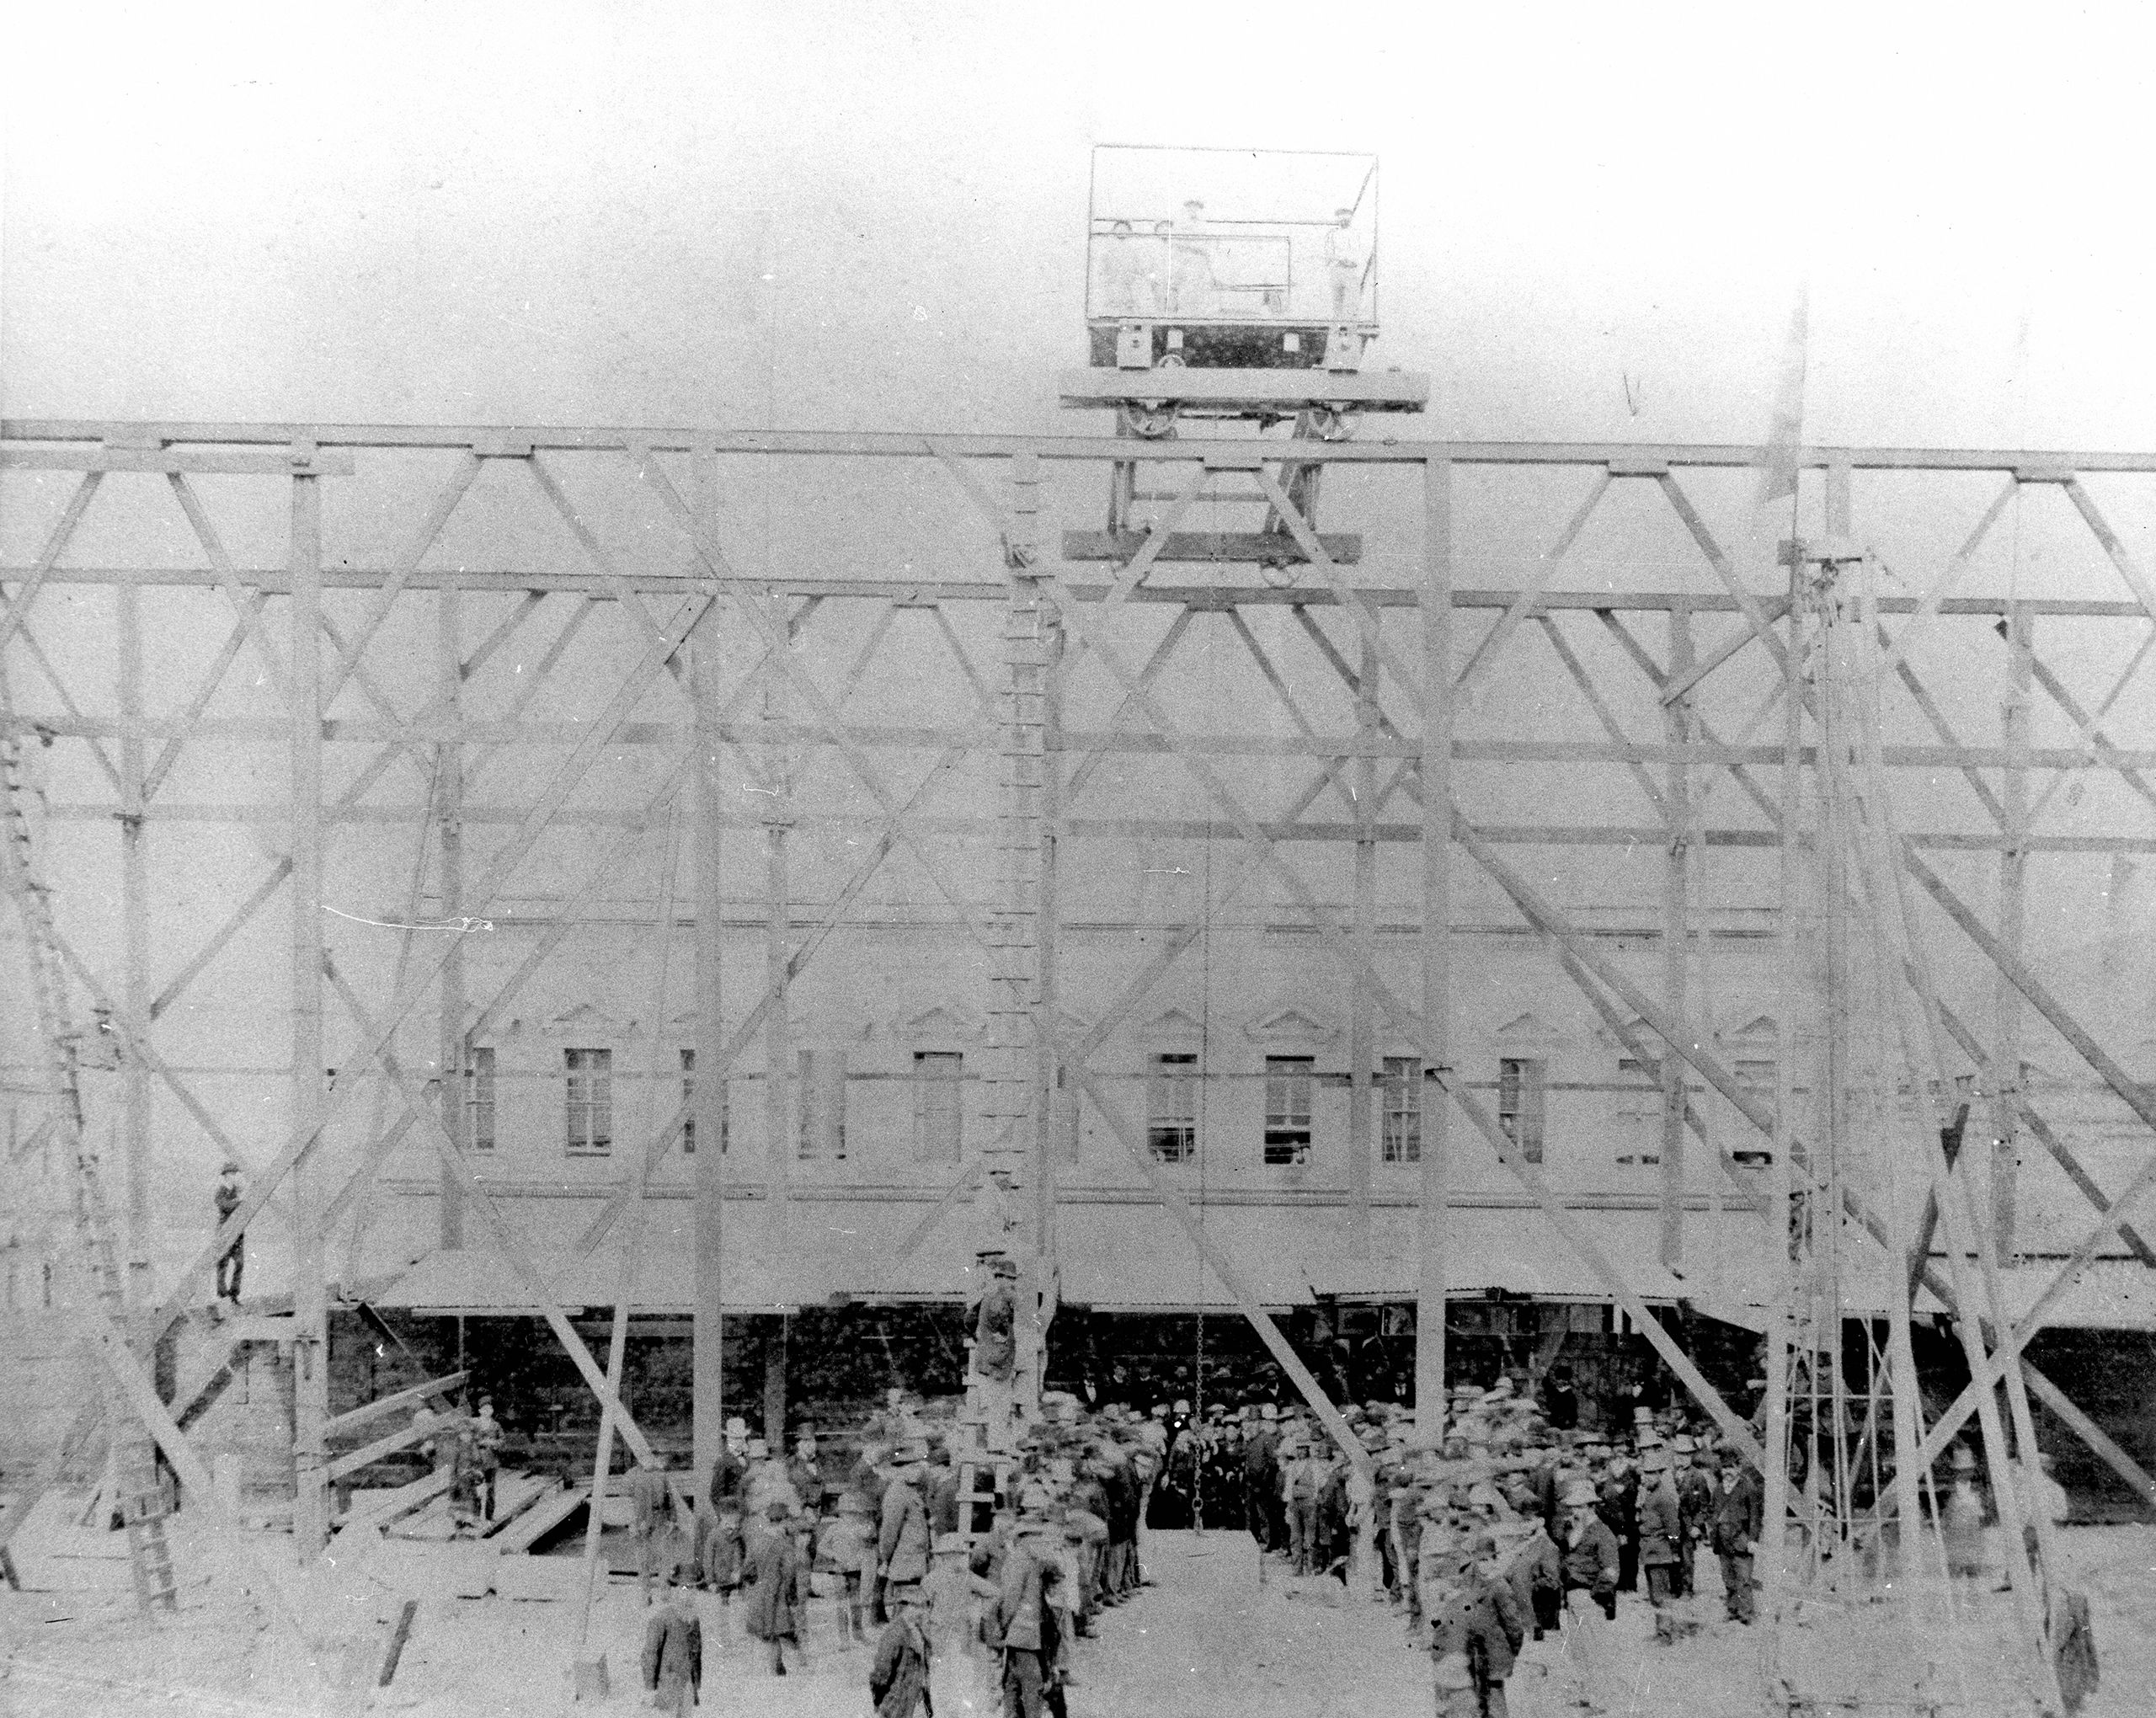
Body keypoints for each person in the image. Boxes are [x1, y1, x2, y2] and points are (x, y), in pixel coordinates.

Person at [742, 1502, 811, 1674]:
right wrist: (792, 1596)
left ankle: (775, 1670)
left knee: (770, 1635)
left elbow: (747, 1571)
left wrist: (757, 1584)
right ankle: (799, 1671)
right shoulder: (785, 1546)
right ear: (783, 1521)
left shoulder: (756, 1542)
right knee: (788, 1634)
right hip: (780, 1595)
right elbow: (789, 1575)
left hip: (761, 1595)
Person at [878, 1446, 931, 1625]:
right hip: (905, 1565)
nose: (918, 1471)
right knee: (904, 1619)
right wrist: (887, 1560)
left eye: (918, 1466)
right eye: (912, 1467)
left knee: (913, 1616)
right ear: (899, 1469)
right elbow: (889, 1534)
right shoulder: (897, 1493)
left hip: (915, 1564)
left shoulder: (910, 1490)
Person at [1708, 1449, 1762, 1624]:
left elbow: (1755, 1516)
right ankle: (1732, 1610)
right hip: (1723, 1541)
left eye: (1731, 1467)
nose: (1727, 1472)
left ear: (1739, 1467)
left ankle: (1747, 1613)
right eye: (1724, 1468)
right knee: (1728, 1577)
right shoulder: (1718, 1489)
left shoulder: (1748, 1488)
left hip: (1741, 1540)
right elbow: (1712, 1511)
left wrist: (1753, 1540)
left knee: (1744, 1578)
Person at [640, 1569, 702, 1715]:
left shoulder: (693, 1620)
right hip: (667, 1685)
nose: (689, 1594)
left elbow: (697, 1654)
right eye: (684, 1589)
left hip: (687, 1684)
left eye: (693, 1588)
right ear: (674, 1591)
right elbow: (650, 1654)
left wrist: (696, 1684)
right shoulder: (662, 1619)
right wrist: (649, 1688)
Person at [871, 1587, 934, 1718]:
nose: (922, 1611)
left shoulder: (918, 1629)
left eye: (924, 1606)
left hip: (916, 1698)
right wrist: (879, 1704)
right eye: (917, 1606)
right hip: (897, 1700)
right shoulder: (895, 1633)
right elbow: (881, 1672)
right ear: (904, 1607)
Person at [1636, 1445, 1683, 1613]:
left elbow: (1673, 1528)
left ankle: (1666, 1634)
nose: (1646, 1477)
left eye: (1651, 1473)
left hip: (1660, 1550)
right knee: (1655, 1596)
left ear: (1659, 1474)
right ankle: (1662, 1632)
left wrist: (1675, 1550)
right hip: (1649, 1550)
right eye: (1645, 1473)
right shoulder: (1649, 1495)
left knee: (1661, 1596)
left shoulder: (1663, 1497)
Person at [630, 1459, 678, 1604]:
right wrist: (638, 1524)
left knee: (664, 1557)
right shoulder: (636, 1479)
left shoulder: (663, 1478)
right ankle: (646, 1593)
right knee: (643, 1560)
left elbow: (670, 1501)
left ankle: (664, 1591)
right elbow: (635, 1505)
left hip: (660, 1521)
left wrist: (672, 1520)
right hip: (642, 1522)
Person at [1322, 205, 1366, 320]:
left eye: (1346, 218)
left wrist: (1350, 261)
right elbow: (1329, 253)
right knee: (1337, 301)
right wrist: (1340, 260)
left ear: (1350, 219)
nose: (1343, 221)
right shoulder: (1332, 235)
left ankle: (1351, 324)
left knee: (1352, 301)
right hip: (1337, 270)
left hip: (1351, 271)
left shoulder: (1356, 234)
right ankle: (1337, 324)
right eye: (1341, 218)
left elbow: (1358, 253)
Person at [213, 1160, 244, 1307]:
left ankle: (234, 1294)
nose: (233, 1176)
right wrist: (238, 1202)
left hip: (237, 1232)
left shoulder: (238, 1190)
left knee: (239, 1263)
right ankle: (222, 1294)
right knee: (222, 1263)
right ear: (225, 1176)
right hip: (224, 1231)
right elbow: (224, 1205)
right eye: (230, 1173)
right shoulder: (222, 1190)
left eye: (234, 1173)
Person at [472, 1396, 504, 1522]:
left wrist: (493, 1443)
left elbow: (502, 1440)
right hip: (478, 1462)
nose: (487, 1411)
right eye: (484, 1409)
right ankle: (475, 1517)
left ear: (492, 1410)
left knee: (490, 1490)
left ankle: (489, 1517)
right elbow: (470, 1440)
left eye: (489, 1408)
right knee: (477, 1490)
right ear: (480, 1411)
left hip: (491, 1461)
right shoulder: (475, 1424)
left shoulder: (496, 1425)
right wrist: (481, 1442)